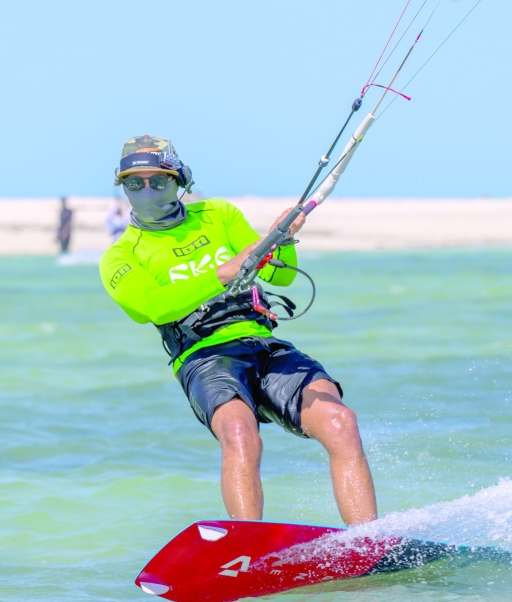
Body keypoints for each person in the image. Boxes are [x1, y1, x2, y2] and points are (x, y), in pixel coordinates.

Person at [99, 135, 377, 526]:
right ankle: (248, 545)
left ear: (179, 180)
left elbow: (281, 275)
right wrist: (224, 272)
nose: (146, 190)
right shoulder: (120, 256)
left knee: (340, 422)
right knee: (239, 434)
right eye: (133, 183)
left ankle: (367, 541)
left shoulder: (219, 214)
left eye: (157, 180)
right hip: (204, 358)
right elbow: (152, 307)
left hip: (263, 344)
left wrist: (282, 238)